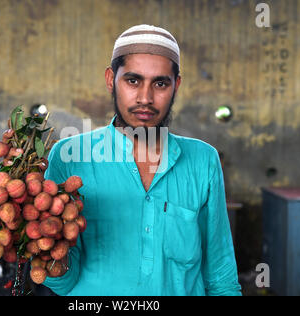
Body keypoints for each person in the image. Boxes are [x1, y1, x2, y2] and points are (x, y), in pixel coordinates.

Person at [42, 24, 242, 296]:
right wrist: (43, 246)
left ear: (176, 86)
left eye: (160, 83)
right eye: (133, 81)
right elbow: (63, 282)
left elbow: (221, 275)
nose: (145, 98)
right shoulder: (69, 158)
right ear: (111, 79)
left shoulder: (202, 160)